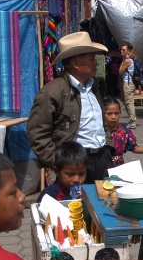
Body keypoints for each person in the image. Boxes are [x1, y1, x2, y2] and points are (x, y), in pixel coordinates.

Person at [28, 31, 113, 185]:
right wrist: (58, 162)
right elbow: (37, 133)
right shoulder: (53, 92)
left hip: (102, 159)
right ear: (76, 64)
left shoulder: (94, 87)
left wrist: (108, 148)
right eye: (92, 59)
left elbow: (100, 123)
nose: (96, 63)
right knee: (77, 206)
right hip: (75, 165)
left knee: (106, 203)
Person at [103, 96, 143, 167]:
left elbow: (134, 148)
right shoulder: (99, 132)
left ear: (120, 113)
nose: (113, 117)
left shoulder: (124, 132)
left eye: (116, 113)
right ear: (102, 114)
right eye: (109, 114)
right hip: (102, 167)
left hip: (119, 168)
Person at [118, 41, 139, 129]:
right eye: (121, 50)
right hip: (127, 82)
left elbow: (120, 71)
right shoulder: (130, 60)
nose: (121, 51)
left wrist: (122, 64)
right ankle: (132, 120)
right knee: (126, 102)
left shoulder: (127, 61)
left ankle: (133, 121)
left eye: (123, 50)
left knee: (129, 102)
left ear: (128, 51)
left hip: (128, 83)